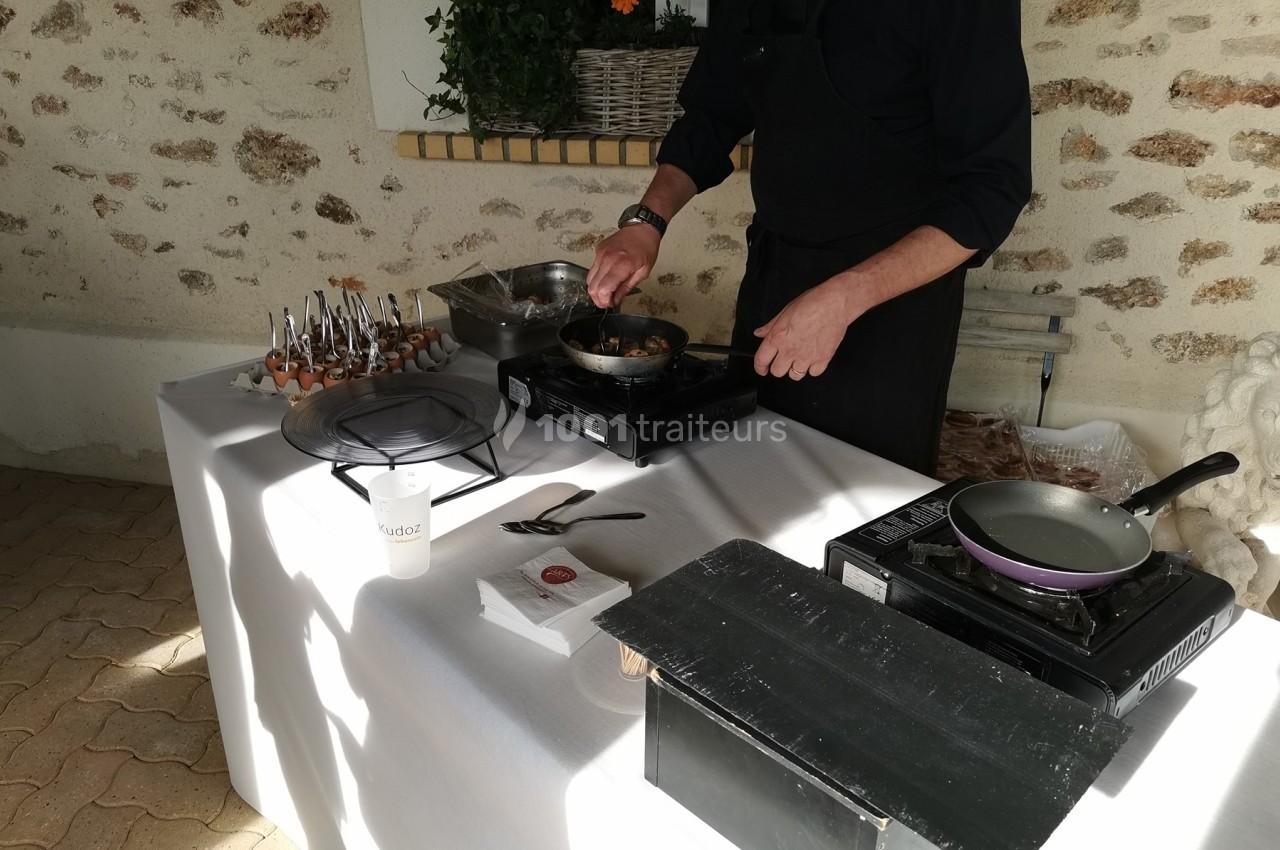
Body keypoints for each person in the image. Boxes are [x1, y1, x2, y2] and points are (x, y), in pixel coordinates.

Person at [586, 0, 1032, 476]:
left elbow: (992, 188)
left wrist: (844, 298)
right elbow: (712, 115)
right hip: (774, 275)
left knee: (860, 503)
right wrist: (646, 222)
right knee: (747, 469)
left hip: (891, 311)